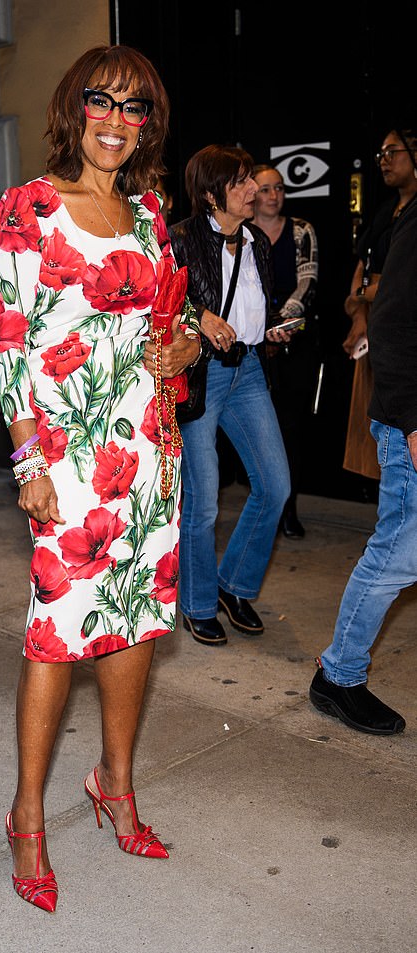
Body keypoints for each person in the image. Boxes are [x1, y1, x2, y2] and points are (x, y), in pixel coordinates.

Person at [0, 45, 200, 913]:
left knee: (138, 624)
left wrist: (181, 344)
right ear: (75, 109)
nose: (117, 122)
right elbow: (8, 338)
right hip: (69, 464)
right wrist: (29, 460)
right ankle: (27, 812)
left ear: (147, 124)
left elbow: (171, 321)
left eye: (136, 108)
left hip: (149, 455)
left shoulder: (150, 214)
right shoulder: (29, 208)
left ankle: (115, 782)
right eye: (102, 103)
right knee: (58, 636)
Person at [168, 145, 291, 647]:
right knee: (202, 502)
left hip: (249, 372)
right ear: (209, 193)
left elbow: (258, 302)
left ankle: (233, 583)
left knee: (275, 485)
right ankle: (197, 603)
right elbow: (161, 305)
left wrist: (272, 328)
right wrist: (198, 317)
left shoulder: (257, 240)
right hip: (202, 375)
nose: (253, 191)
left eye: (251, 181)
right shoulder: (180, 239)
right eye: (240, 182)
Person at [309, 185, 417, 736]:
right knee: (398, 554)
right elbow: (392, 325)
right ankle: (340, 676)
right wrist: (412, 421)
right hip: (410, 421)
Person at [342, 126, 417, 486]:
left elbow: (390, 289)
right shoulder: (386, 212)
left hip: (402, 340)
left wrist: (373, 289)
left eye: (392, 152)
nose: (384, 162)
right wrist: (360, 312)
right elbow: (358, 283)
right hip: (376, 341)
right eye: (380, 156)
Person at [252, 164, 319, 538]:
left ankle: (288, 509)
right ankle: (264, 507)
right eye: (265, 189)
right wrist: (259, 326)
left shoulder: (301, 230)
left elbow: (308, 284)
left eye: (279, 188)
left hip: (294, 336)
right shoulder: (242, 231)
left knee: (292, 428)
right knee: (261, 430)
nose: (274, 195)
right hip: (253, 341)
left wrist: (280, 323)